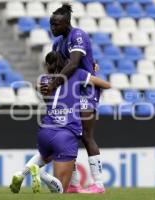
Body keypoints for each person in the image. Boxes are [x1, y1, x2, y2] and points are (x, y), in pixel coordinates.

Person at [10, 51, 110, 194]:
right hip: (65, 133)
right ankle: (42, 175)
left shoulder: (44, 80)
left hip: (45, 131)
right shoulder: (77, 74)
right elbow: (106, 85)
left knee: (46, 156)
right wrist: (91, 77)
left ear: (48, 65)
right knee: (62, 190)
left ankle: (21, 173)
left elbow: (42, 92)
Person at [40, 4, 105, 193]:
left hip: (86, 90)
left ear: (67, 23)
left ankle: (99, 185)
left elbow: (75, 64)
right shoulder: (57, 44)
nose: (53, 28)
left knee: (86, 136)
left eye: (56, 25)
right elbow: (55, 68)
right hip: (70, 93)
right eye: (51, 25)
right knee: (68, 137)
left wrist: (53, 84)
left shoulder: (77, 35)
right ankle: (74, 184)